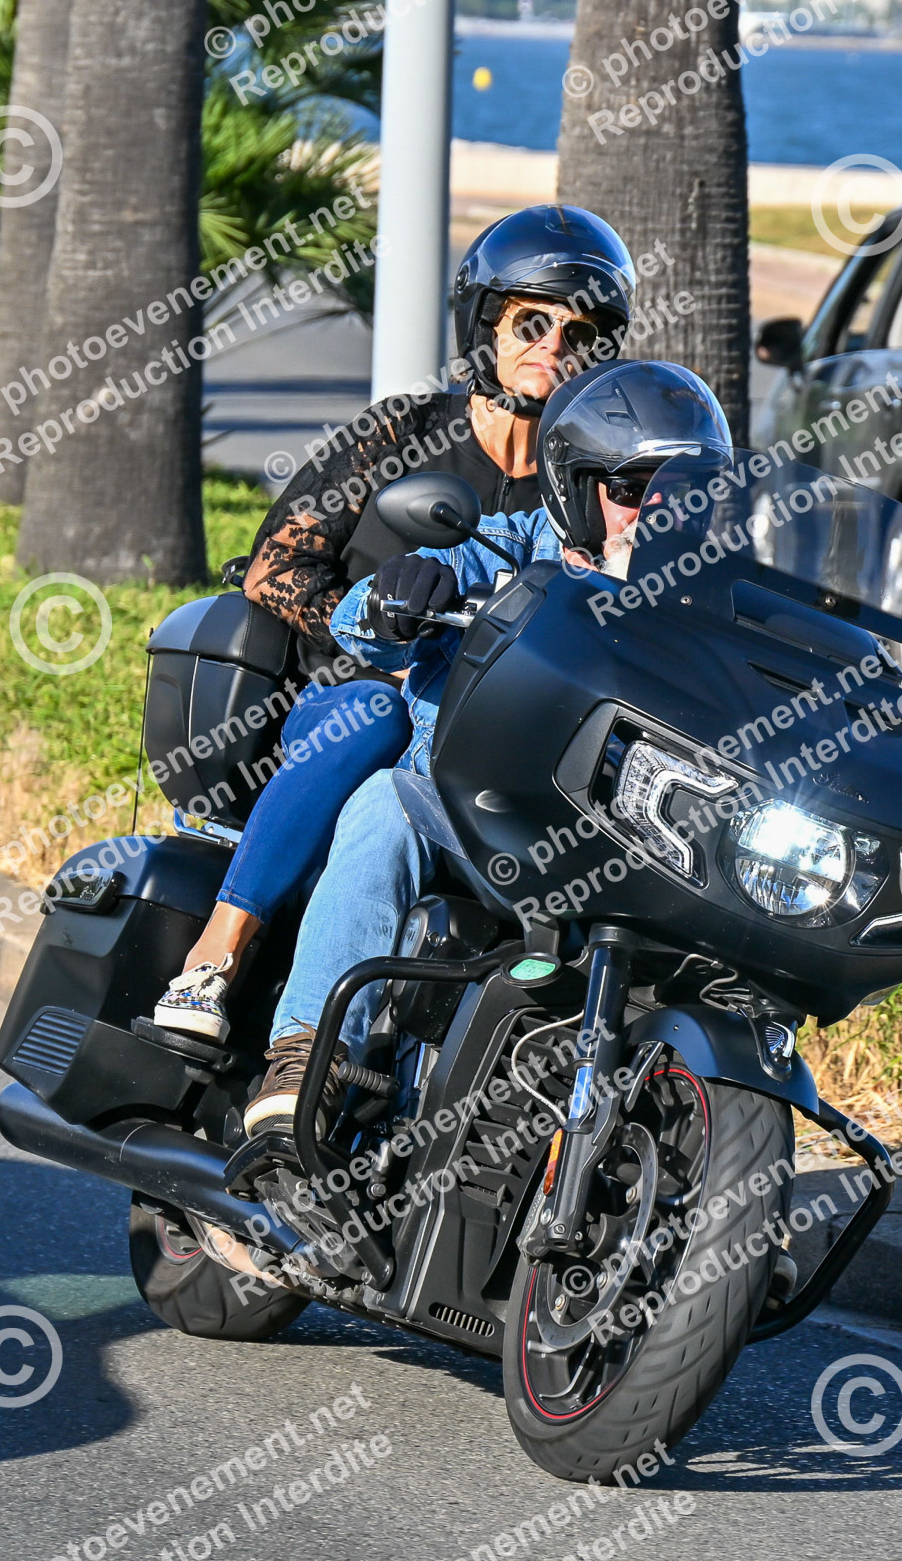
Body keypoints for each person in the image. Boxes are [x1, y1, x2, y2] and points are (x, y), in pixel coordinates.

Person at [152, 205, 636, 1042]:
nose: (553, 346)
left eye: (580, 334)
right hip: (344, 703)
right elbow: (274, 567)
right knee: (375, 712)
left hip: (490, 741)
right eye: (532, 323)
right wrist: (384, 635)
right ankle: (215, 957)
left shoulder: (584, 487)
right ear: (485, 326)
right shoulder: (402, 433)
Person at [243, 360, 733, 1136]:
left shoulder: (720, 599)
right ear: (577, 487)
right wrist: (398, 594)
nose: (657, 512)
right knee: (388, 804)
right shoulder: (512, 548)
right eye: (633, 488)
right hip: (486, 828)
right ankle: (311, 1053)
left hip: (642, 859)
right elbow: (367, 616)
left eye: (686, 492)